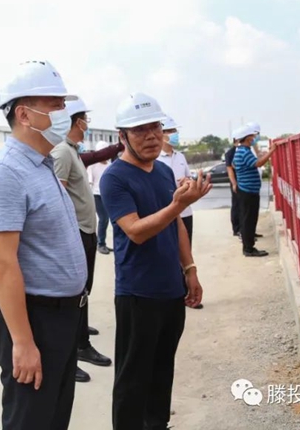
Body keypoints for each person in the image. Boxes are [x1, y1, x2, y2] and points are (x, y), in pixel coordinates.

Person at [0, 60, 87, 430]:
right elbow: (2, 264)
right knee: (31, 419)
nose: (64, 113)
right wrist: (23, 342)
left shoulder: (42, 164)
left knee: (54, 418)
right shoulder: (5, 173)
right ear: (24, 114)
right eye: (55, 105)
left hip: (62, 317)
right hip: (35, 319)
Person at [101, 92, 209, 430]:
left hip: (171, 289)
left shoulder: (162, 171)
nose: (151, 137)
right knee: (133, 378)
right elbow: (135, 231)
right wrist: (178, 205)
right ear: (122, 136)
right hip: (138, 294)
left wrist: (189, 269)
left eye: (155, 128)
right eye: (139, 130)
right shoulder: (114, 177)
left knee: (163, 370)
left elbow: (176, 225)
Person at [51, 98, 112, 385]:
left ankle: (81, 335)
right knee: (75, 293)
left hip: (86, 230)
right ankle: (76, 348)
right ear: (77, 122)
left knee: (84, 290)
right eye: (85, 119)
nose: (87, 123)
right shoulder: (63, 152)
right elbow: (59, 197)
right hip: (75, 233)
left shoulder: (73, 150)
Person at [157, 116, 204, 310]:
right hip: (167, 213)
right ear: (162, 134)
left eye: (175, 130)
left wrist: (189, 182)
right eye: (171, 131)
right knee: (170, 254)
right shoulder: (156, 159)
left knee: (186, 253)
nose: (175, 134)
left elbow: (188, 177)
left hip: (185, 213)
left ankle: (187, 293)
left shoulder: (180, 157)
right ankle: (175, 294)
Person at [233, 123, 277, 258]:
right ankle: (249, 248)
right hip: (248, 192)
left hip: (247, 190)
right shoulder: (244, 152)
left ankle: (249, 246)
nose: (254, 138)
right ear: (247, 138)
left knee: (249, 219)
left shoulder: (242, 151)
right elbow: (258, 163)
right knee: (249, 220)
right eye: (252, 136)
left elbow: (236, 164)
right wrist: (271, 151)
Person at [87, 141, 112, 255]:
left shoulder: (110, 165)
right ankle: (100, 244)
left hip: (108, 195)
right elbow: (89, 182)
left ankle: (104, 242)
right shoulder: (93, 165)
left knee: (111, 220)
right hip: (96, 195)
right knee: (103, 218)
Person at [225, 130, 242, 237]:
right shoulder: (230, 153)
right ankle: (237, 229)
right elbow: (230, 169)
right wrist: (234, 183)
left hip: (244, 181)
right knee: (237, 205)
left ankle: (247, 229)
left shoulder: (245, 150)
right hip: (236, 182)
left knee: (244, 207)